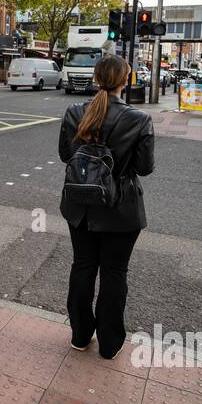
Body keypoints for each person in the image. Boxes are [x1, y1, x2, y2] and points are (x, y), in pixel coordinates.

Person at [58, 54, 155, 358]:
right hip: (121, 210)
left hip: (81, 206)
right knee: (114, 273)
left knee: (83, 267)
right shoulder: (139, 119)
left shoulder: (75, 112)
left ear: (97, 77)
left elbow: (65, 155)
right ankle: (110, 344)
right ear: (125, 80)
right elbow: (144, 167)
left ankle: (80, 335)